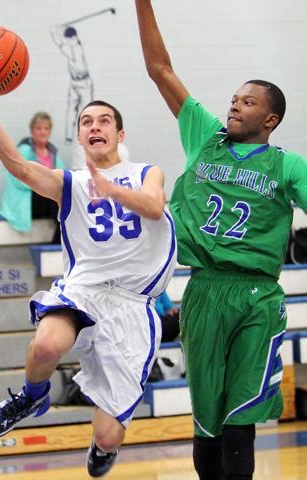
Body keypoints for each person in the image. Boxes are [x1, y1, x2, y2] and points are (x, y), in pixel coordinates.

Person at [0, 61, 176, 478]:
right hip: (83, 290)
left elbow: (152, 205)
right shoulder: (69, 183)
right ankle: (30, 397)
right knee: (44, 347)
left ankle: (102, 444)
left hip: (132, 308)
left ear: (120, 134)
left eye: (105, 120)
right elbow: (19, 168)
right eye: (87, 121)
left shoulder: (145, 172)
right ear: (79, 135)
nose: (96, 126)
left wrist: (112, 189)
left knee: (110, 435)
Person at [135, 1, 307, 479]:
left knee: (239, 424)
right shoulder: (205, 138)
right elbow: (159, 69)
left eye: (248, 101)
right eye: (234, 98)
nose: (235, 104)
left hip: (255, 296)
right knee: (207, 426)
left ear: (270, 120)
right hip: (203, 291)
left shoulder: (287, 165)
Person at [0, 111, 65, 243]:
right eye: (39, 128)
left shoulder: (53, 152)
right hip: (27, 199)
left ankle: (59, 239)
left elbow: (63, 177)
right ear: (32, 131)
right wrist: (44, 184)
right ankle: (57, 242)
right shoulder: (24, 150)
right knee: (53, 199)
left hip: (46, 198)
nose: (43, 132)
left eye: (46, 128)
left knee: (65, 198)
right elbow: (18, 178)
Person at [50, 24, 94, 144]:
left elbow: (60, 44)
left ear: (74, 38)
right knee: (71, 111)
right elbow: (63, 42)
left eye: (70, 40)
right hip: (74, 83)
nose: (68, 42)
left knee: (87, 113)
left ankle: (89, 137)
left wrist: (54, 31)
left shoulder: (75, 50)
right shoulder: (73, 45)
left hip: (84, 84)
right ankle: (69, 137)